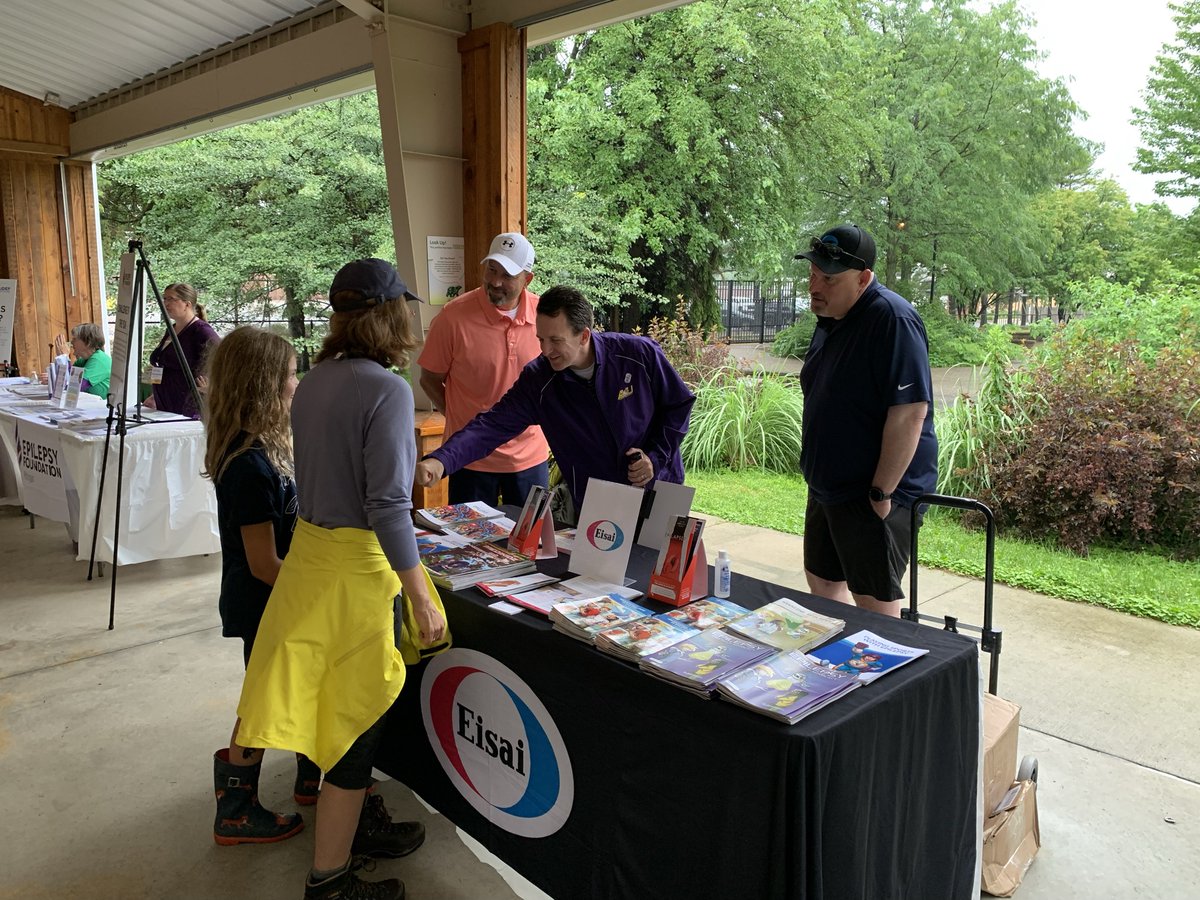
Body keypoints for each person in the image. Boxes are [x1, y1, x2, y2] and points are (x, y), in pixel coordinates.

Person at [234, 258, 448, 900]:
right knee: (354, 732)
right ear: (390, 315)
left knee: (330, 719)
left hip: (309, 567)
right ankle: (329, 880)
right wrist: (419, 595)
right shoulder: (387, 391)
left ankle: (352, 836)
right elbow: (386, 506)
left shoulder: (316, 379)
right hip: (357, 579)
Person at [414, 285, 696, 516]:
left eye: (555, 340)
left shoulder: (638, 355)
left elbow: (678, 406)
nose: (545, 350)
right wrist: (442, 460)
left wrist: (655, 458)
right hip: (599, 499)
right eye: (540, 339)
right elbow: (491, 425)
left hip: (661, 486)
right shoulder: (539, 381)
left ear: (584, 335)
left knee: (664, 577)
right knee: (603, 580)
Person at [202, 326, 316, 846]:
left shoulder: (270, 448)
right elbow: (264, 563)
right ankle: (236, 809)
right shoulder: (248, 465)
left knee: (300, 686)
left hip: (279, 598)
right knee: (264, 701)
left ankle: (311, 772)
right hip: (264, 602)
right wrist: (317, 585)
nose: (298, 382)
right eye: (291, 375)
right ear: (264, 385)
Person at [795, 223, 937, 618]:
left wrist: (881, 493)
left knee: (875, 606)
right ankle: (835, 671)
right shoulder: (832, 318)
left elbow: (910, 413)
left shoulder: (892, 319)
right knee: (822, 583)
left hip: (874, 492)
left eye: (828, 279)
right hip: (829, 486)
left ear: (863, 279)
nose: (815, 286)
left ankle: (878, 676)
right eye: (812, 274)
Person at [417, 232, 549, 506]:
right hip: (469, 458)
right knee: (467, 545)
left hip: (529, 457)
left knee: (529, 545)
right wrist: (462, 422)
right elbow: (429, 378)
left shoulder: (545, 317)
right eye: (491, 269)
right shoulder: (453, 317)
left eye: (508, 275)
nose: (496, 282)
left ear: (527, 278)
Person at [146, 282, 220, 418]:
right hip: (165, 404)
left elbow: (223, 359)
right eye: (165, 299)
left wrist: (211, 385)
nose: (166, 303)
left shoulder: (201, 331)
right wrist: (154, 395)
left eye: (171, 299)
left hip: (187, 406)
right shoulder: (171, 329)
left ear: (187, 304)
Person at [52, 324, 111, 398]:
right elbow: (68, 379)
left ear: (87, 342)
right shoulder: (82, 360)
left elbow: (75, 387)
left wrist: (64, 357)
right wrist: (52, 377)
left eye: (74, 339)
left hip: (103, 407)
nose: (71, 343)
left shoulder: (99, 359)